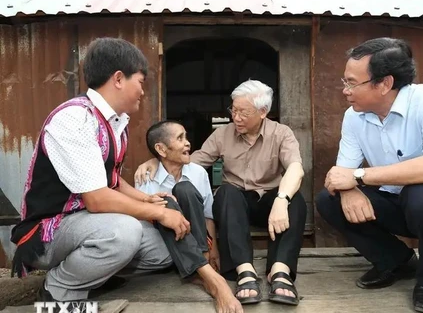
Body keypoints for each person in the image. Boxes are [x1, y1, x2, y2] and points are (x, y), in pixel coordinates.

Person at [10, 37, 242, 313]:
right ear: (119, 78)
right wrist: (157, 213)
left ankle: (96, 277)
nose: (143, 91)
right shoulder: (75, 119)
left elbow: (111, 180)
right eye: (141, 82)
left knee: (168, 246)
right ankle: (58, 292)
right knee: (124, 232)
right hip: (51, 230)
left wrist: (147, 201)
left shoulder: (115, 122)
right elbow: (97, 198)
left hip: (88, 224)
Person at [315, 37, 423, 313]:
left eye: (351, 83)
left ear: (384, 84)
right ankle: (397, 261)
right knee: (328, 200)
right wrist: (348, 188)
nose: (345, 90)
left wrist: (357, 177)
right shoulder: (354, 117)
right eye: (345, 82)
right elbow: (342, 174)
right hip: (404, 208)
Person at [135, 80, 307, 306]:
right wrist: (158, 159)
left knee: (296, 200)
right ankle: (245, 272)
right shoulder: (223, 134)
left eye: (243, 112)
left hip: (270, 202)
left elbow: (296, 168)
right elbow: (190, 161)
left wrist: (282, 201)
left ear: (263, 112)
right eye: (233, 110)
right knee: (226, 193)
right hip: (236, 207)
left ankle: (280, 272)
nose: (235, 117)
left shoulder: (281, 133)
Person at [136, 120, 220, 273]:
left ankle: (203, 258)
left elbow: (207, 217)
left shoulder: (198, 173)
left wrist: (214, 252)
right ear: (161, 149)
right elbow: (143, 223)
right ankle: (198, 265)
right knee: (165, 201)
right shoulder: (145, 177)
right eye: (180, 138)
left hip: (200, 242)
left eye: (186, 138)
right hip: (167, 245)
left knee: (184, 189)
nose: (187, 143)